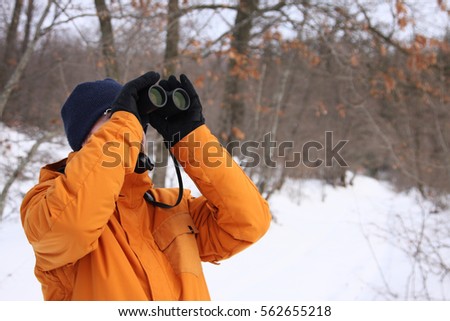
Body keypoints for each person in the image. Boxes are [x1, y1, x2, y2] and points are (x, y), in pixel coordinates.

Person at [20, 71, 271, 300]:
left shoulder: (170, 207)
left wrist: (191, 136)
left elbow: (248, 223)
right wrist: (122, 126)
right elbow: (71, 226)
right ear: (84, 135)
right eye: (113, 115)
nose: (133, 124)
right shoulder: (46, 201)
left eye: (135, 117)